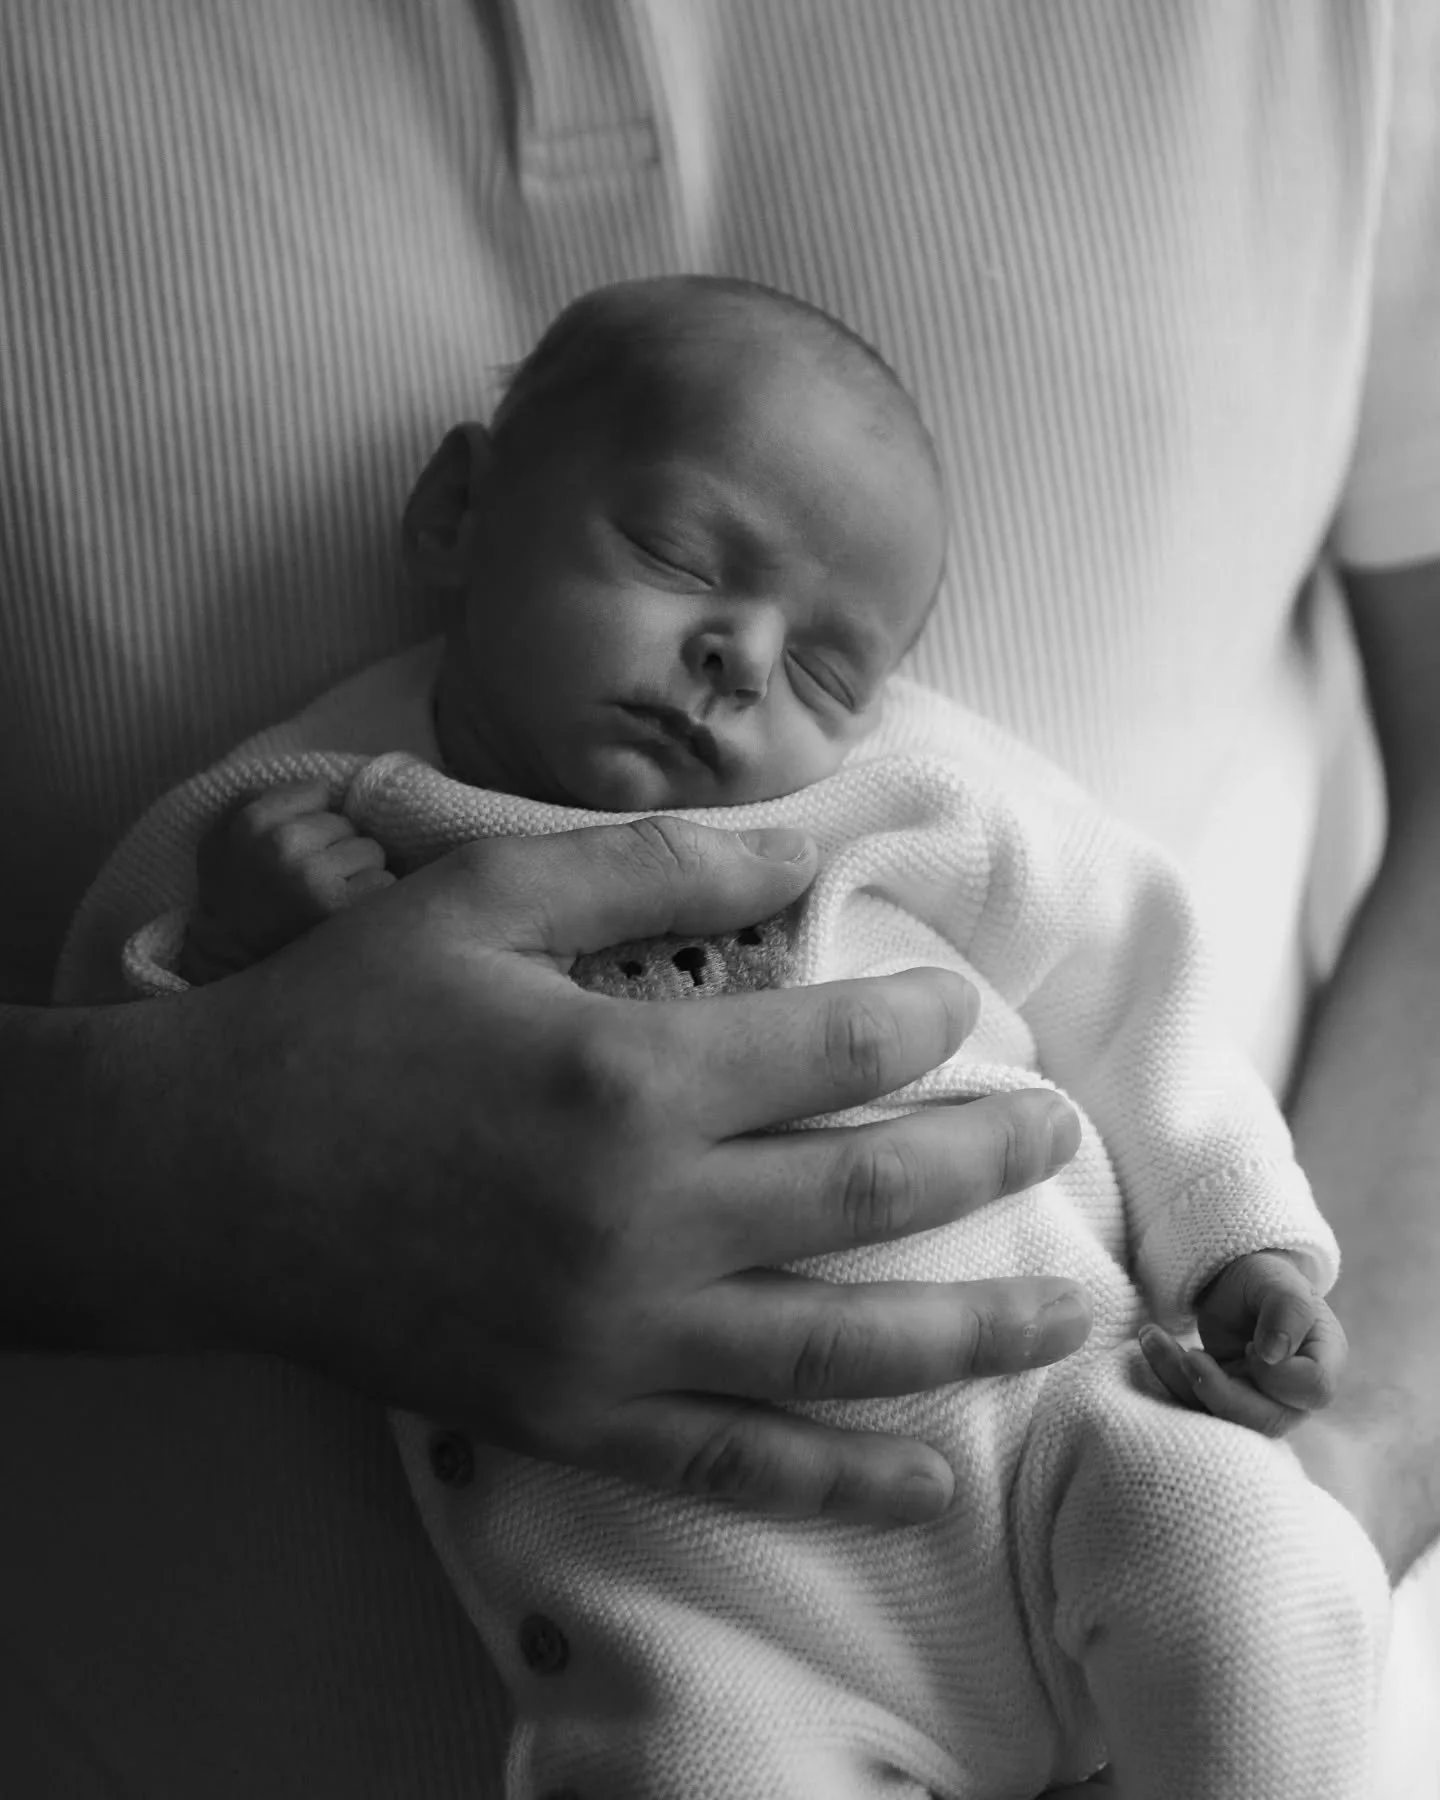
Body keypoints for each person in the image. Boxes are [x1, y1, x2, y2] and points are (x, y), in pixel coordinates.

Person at [2, 5, 1437, 1795]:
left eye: (827, 667)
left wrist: (1256, 1257)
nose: (735, 663)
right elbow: (123, 994)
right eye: (682, 558)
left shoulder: (914, 794)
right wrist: (216, 968)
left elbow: (1146, 983)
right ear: (458, 506)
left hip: (1075, 1432)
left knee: (1253, 1570)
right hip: (697, 1608)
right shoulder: (328, 802)